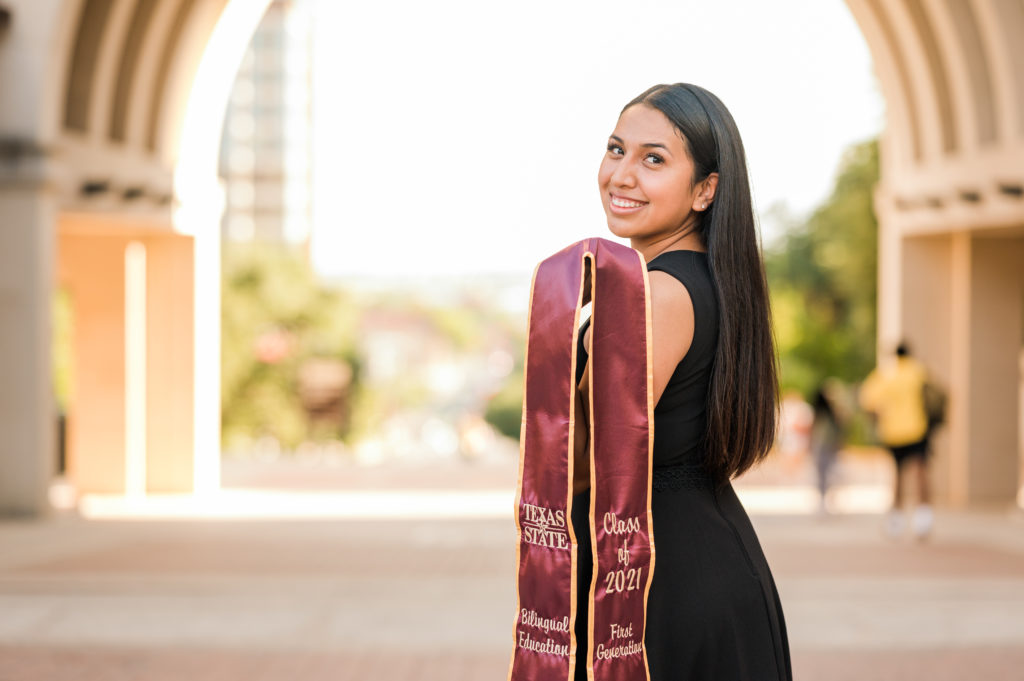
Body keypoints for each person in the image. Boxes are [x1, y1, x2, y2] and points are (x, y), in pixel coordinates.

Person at [571, 84, 791, 681]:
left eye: (654, 159)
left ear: (705, 190)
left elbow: (588, 461)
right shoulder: (700, 280)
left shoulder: (654, 295)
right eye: (616, 149)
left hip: (659, 585)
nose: (622, 174)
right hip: (699, 560)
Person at [859, 342, 934, 539]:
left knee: (898, 475)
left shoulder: (885, 374)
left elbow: (867, 400)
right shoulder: (918, 370)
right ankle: (923, 518)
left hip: (892, 432)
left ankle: (896, 520)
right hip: (917, 429)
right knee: (920, 472)